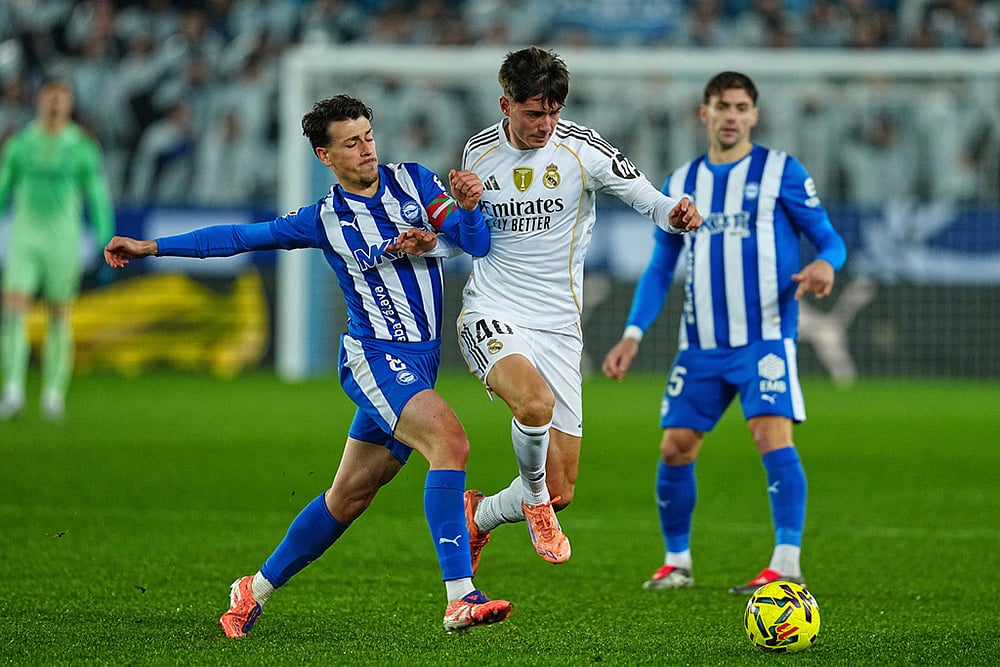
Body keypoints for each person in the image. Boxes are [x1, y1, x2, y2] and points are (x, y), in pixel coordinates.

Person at [103, 95, 512, 634]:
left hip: (420, 362)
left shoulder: (414, 181)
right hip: (376, 358)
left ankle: (253, 588)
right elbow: (236, 238)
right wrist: (152, 247)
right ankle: (460, 596)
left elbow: (475, 245)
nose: (366, 149)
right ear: (325, 156)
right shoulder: (324, 219)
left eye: (368, 136)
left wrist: (466, 208)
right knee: (450, 442)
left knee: (349, 497)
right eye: (351, 143)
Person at [457, 46, 702, 573]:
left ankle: (480, 516)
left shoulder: (582, 150)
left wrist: (675, 213)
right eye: (533, 113)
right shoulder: (476, 153)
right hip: (492, 310)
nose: (545, 124)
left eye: (553, 112)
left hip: (559, 327)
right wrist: (438, 232)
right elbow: (465, 237)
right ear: (506, 104)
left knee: (563, 487)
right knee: (534, 405)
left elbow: (648, 199)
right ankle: (536, 504)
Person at [601, 71, 847, 594]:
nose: (731, 115)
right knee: (675, 448)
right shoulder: (682, 181)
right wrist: (633, 333)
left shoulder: (781, 170)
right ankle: (677, 562)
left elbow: (830, 240)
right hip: (702, 346)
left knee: (769, 435)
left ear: (754, 115)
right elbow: (661, 266)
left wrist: (825, 264)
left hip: (766, 338)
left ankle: (786, 563)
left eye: (740, 107)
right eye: (721, 106)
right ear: (704, 113)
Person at [0, 79, 116, 421]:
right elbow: (3, 187)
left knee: (58, 316)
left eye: (61, 98)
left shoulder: (82, 147)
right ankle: (13, 389)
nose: (54, 104)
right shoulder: (21, 144)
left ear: (69, 104)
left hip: (63, 243)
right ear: (40, 101)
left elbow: (97, 196)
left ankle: (53, 392)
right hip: (24, 239)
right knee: (13, 312)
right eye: (49, 97)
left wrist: (104, 240)